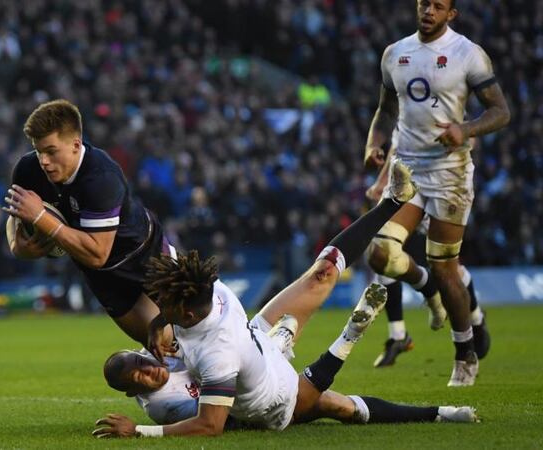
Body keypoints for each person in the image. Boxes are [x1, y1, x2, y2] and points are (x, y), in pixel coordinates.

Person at [91, 159, 478, 438]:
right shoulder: (212, 341)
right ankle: (438, 412)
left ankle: (393, 202)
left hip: (252, 337)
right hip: (273, 400)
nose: (160, 312)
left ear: (189, 308)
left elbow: (179, 324)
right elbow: (213, 424)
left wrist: (159, 326)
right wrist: (143, 428)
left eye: (167, 309)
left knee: (323, 272)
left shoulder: (205, 305)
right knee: (339, 407)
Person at [362, 0, 510, 386]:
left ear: (451, 14)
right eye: (424, 3)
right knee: (379, 254)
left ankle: (465, 353)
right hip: (406, 170)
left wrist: (467, 129)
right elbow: (386, 110)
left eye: (438, 6)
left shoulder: (468, 54)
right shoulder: (395, 53)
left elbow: (501, 111)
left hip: (450, 173)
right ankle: (426, 288)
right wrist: (374, 143)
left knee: (446, 268)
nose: (428, 10)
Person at [101, 313, 476, 431]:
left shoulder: (164, 356)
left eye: (143, 363)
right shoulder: (163, 407)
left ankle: (275, 343)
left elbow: (201, 342)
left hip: (251, 373)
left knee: (333, 404)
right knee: (337, 406)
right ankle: (345, 337)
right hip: (254, 410)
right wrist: (139, 432)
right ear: (134, 393)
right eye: (140, 377)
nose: (150, 371)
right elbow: (218, 418)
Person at [4, 99, 174, 346]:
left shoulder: (101, 177)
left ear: (75, 144)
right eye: (39, 151)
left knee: (194, 326)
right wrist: (16, 244)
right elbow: (17, 214)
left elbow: (98, 252)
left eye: (51, 151)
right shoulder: (28, 170)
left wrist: (41, 217)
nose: (44, 161)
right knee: (162, 345)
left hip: (144, 253)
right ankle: (183, 383)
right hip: (100, 274)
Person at [365, 157, 489, 368]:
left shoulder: (440, 126)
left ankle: (476, 318)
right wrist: (375, 155)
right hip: (406, 184)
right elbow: (394, 137)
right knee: (383, 253)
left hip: (440, 183)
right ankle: (398, 335)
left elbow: (470, 138)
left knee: (447, 267)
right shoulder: (402, 127)